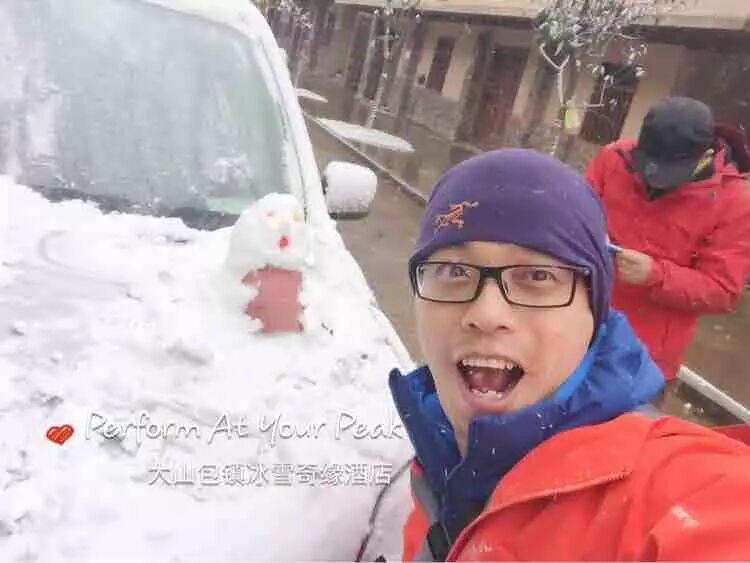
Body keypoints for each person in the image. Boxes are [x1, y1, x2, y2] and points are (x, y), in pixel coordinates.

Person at [388, 148, 750, 561]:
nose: (486, 315)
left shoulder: (682, 493)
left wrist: (658, 274)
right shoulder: (437, 455)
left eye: (537, 276)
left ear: (593, 312)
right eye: (453, 271)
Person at [586, 97, 750, 387]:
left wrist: (655, 276)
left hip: (642, 357)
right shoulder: (613, 159)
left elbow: (722, 290)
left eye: (668, 172)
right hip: (579, 324)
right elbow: (575, 212)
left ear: (705, 155)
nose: (652, 179)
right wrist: (584, 235)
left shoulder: (735, 202)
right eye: (647, 166)